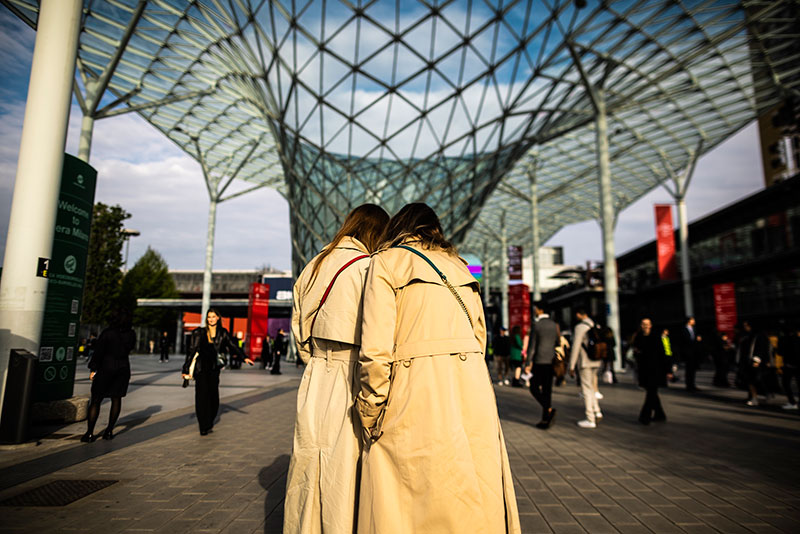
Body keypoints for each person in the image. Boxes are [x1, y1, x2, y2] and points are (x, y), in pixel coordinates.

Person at [357, 203, 521, 534]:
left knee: (406, 498)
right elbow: (479, 337)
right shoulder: (462, 269)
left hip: (415, 389)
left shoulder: (386, 263)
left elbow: (375, 349)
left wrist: (369, 409)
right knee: (470, 488)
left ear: (399, 227)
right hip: (471, 391)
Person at [284, 203, 389, 534]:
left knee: (307, 462)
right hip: (351, 372)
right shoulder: (368, 267)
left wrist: (316, 361)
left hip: (315, 370)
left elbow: (299, 331)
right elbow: (376, 334)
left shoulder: (314, 265)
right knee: (342, 469)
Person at [182, 308, 253, 435]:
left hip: (214, 370)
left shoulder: (223, 333)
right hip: (201, 369)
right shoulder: (199, 333)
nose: (211, 319)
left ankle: (209, 421)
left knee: (214, 399)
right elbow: (191, 352)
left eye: (213, 317)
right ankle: (203, 426)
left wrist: (244, 357)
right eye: (209, 317)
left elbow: (233, 346)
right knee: (201, 397)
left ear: (218, 318)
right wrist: (185, 369)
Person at [82, 308, 136, 442]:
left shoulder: (108, 333)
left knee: (96, 400)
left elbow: (99, 352)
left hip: (106, 367)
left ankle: (90, 433)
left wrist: (93, 368)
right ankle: (109, 431)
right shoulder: (131, 334)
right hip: (123, 368)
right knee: (116, 399)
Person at [526, 302, 560, 429]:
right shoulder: (554, 324)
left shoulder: (537, 325)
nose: (534, 311)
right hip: (551, 361)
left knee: (534, 387)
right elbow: (557, 342)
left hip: (539, 361)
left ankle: (548, 409)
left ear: (540, 310)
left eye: (535, 309)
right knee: (547, 390)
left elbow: (532, 346)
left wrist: (528, 362)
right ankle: (545, 418)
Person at [632, 318, 670, 425]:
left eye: (647, 324)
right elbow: (635, 352)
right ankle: (660, 414)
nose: (645, 326)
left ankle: (645, 416)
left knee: (651, 393)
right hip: (644, 370)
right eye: (643, 324)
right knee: (652, 393)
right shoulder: (638, 337)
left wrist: (668, 370)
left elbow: (665, 354)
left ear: (651, 325)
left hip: (656, 369)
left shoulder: (657, 337)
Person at [569, 308, 601, 428]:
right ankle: (597, 411)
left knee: (586, 389)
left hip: (585, 362)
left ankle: (590, 418)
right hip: (596, 360)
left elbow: (576, 346)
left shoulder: (580, 327)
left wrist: (571, 365)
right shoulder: (595, 325)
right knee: (592, 387)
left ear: (579, 314)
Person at [737, 320, 772, 406]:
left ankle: (757, 397)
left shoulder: (758, 336)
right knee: (752, 380)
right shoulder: (749, 335)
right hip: (749, 361)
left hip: (756, 361)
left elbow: (761, 349)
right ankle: (756, 396)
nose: (745, 327)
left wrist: (757, 360)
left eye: (746, 325)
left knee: (754, 380)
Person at [779, 326, 800, 410]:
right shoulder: (796, 339)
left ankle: (792, 402)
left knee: (786, 383)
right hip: (796, 365)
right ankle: (794, 402)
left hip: (789, 365)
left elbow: (780, 352)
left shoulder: (786, 339)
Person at [679, 316, 702, 391]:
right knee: (689, 369)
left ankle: (692, 384)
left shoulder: (694, 329)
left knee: (693, 369)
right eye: (692, 320)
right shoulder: (683, 329)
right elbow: (685, 341)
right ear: (689, 321)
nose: (694, 321)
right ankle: (689, 385)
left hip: (694, 352)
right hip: (688, 352)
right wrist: (696, 339)